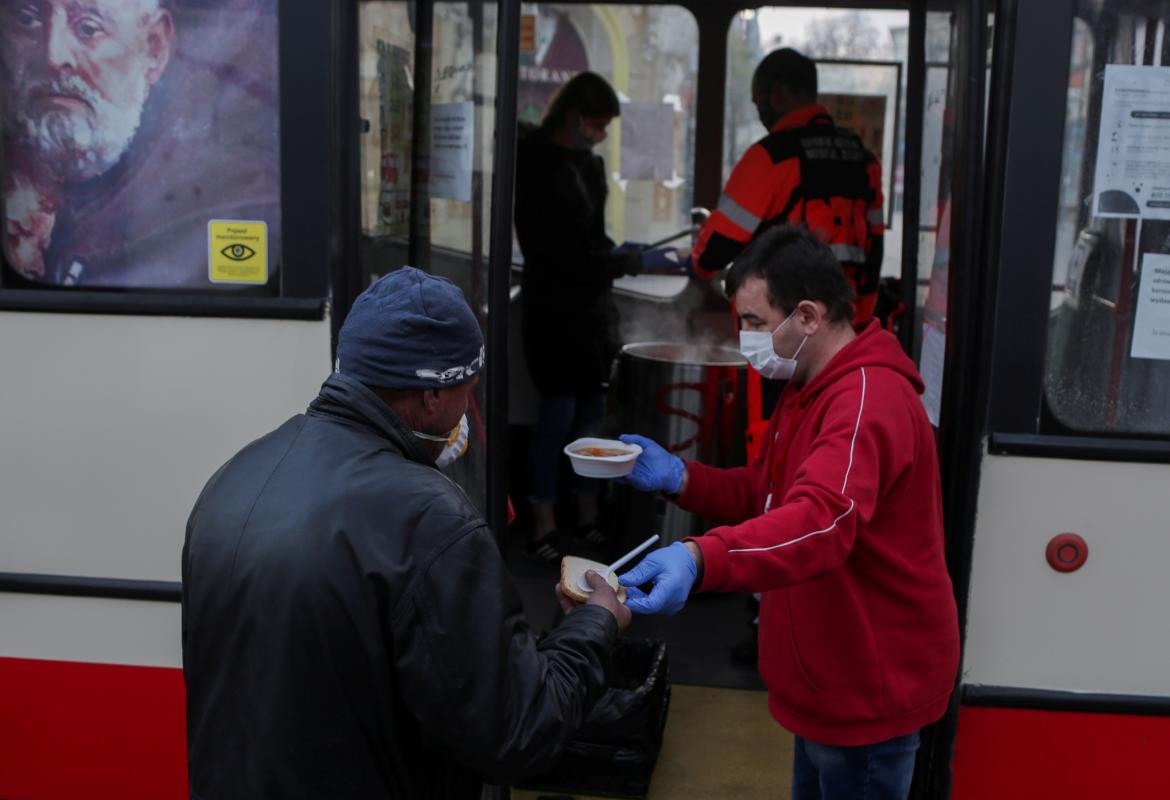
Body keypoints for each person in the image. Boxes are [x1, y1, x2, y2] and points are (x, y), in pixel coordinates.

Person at [182, 266, 631, 798]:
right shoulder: (429, 520)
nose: (470, 412)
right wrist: (594, 627)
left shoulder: (234, 476)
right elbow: (516, 731)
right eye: (469, 392)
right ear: (432, 399)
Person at [616, 226, 959, 800]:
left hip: (867, 690)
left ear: (807, 316)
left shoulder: (866, 400)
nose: (744, 337)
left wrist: (702, 558)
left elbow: (819, 521)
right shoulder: (809, 386)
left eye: (753, 321)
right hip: (823, 682)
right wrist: (682, 478)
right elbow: (767, 493)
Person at [0, 0, 281, 288]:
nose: (53, 55)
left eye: (88, 28)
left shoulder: (238, 202)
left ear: (154, 48)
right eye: (26, 19)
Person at [514, 71, 663, 562]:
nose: (600, 136)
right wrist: (625, 262)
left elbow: (591, 240)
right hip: (553, 310)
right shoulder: (534, 163)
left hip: (592, 312)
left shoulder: (589, 166)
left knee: (592, 419)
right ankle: (542, 520)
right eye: (597, 125)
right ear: (576, 118)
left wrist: (617, 254)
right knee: (556, 418)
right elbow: (557, 253)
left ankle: (587, 513)